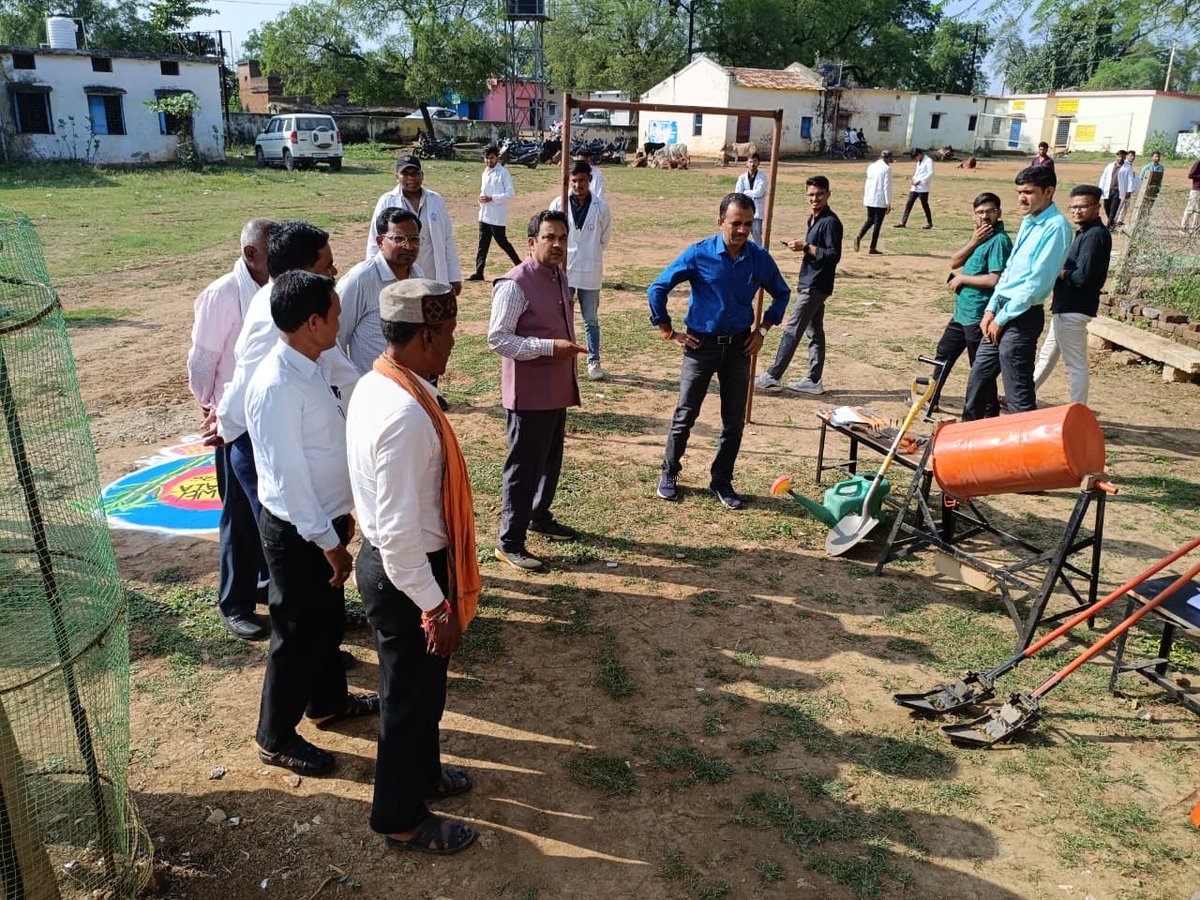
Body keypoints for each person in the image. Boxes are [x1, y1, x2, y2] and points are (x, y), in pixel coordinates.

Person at [346, 277, 481, 857]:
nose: (453, 341)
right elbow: (401, 538)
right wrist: (437, 607)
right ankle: (398, 818)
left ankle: (424, 776)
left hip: (403, 568)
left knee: (424, 695)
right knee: (406, 703)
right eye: (448, 331)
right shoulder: (404, 413)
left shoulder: (381, 383)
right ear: (427, 334)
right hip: (407, 577)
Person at [246, 270, 379, 777]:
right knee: (296, 632)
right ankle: (274, 736)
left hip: (328, 521)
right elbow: (289, 481)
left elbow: (355, 387)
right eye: (336, 314)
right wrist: (329, 543)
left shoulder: (319, 360)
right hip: (300, 531)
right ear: (311, 322)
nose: (341, 322)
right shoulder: (276, 386)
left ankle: (328, 703)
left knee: (324, 620)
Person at [648, 193, 791, 509]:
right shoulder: (700, 254)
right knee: (686, 414)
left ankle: (722, 480)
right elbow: (657, 287)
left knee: (734, 421)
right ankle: (669, 473)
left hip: (739, 349)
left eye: (747, 224)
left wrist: (763, 330)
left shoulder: (758, 258)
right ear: (720, 222)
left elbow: (782, 293)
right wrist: (668, 331)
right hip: (701, 347)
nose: (742, 230)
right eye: (735, 223)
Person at [188, 218, 275, 640]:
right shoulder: (223, 294)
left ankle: (270, 587)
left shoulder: (275, 288)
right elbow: (202, 362)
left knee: (272, 511)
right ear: (250, 254)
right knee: (239, 513)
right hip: (232, 422)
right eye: (271, 251)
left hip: (270, 418)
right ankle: (235, 602)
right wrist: (211, 406)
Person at [488, 211, 586, 572]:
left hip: (555, 387)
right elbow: (498, 338)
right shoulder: (515, 283)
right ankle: (509, 541)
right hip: (529, 393)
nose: (558, 244)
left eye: (562, 237)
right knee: (524, 466)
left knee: (549, 459)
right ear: (531, 243)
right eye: (549, 237)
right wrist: (548, 348)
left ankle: (539, 515)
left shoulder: (558, 274)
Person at [962, 166, 1073, 421]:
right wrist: (991, 309)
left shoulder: (1055, 228)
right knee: (979, 378)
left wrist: (1001, 318)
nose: (1022, 198)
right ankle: (966, 439)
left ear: (1049, 191)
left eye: (1028, 192)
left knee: (1017, 392)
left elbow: (1035, 284)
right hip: (1001, 309)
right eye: (1019, 192)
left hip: (1022, 316)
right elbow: (1010, 271)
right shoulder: (1029, 221)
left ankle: (1024, 452)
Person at [755, 175, 842, 396]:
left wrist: (806, 247)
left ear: (828, 195)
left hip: (816, 285)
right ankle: (814, 379)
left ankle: (774, 375)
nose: (815, 198)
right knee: (815, 332)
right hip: (809, 282)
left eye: (820, 194)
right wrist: (803, 246)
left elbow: (833, 255)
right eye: (811, 195)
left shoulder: (830, 222)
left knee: (792, 330)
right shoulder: (813, 219)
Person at [929, 192, 1013, 413]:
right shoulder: (980, 236)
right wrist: (974, 241)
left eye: (990, 211)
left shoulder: (999, 241)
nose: (985, 216)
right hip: (962, 312)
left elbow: (995, 279)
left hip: (980, 313)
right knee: (944, 352)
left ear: (999, 213)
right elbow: (954, 262)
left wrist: (963, 279)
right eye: (980, 212)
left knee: (980, 367)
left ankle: (988, 411)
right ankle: (930, 398)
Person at [1033, 185, 1111, 405]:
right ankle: (1022, 395)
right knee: (1047, 355)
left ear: (1097, 208)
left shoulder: (1094, 236)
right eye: (1073, 207)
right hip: (1065, 307)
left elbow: (1083, 277)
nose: (1077, 211)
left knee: (1075, 364)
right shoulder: (1085, 233)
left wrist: (1059, 271)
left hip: (1074, 308)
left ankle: (1079, 409)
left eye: (1083, 206)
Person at [336, 208, 425, 374]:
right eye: (398, 239)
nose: (408, 246)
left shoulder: (417, 274)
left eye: (414, 239)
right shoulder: (360, 280)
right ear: (380, 241)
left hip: (411, 381)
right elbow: (336, 338)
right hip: (373, 385)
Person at [549, 161, 613, 381]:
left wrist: (589, 253)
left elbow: (604, 240)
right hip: (565, 270)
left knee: (590, 318)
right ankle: (561, 359)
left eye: (582, 180)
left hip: (590, 269)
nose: (578, 185)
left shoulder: (601, 208)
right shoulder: (559, 204)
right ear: (569, 181)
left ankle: (593, 361)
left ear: (590, 180)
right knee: (561, 317)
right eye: (574, 181)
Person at [366, 155, 462, 296]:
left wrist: (454, 277)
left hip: (433, 275)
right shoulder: (387, 201)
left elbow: (447, 240)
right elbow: (375, 241)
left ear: (422, 175)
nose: (411, 178)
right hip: (399, 275)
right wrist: (372, 276)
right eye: (405, 174)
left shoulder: (436, 200)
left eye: (415, 173)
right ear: (396, 177)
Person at [469, 145, 522, 282]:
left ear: (497, 157)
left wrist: (492, 198)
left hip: (497, 216)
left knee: (503, 243)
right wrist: (481, 198)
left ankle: (520, 266)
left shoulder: (503, 173)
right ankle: (479, 272)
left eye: (491, 158)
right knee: (482, 245)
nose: (489, 161)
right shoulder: (485, 172)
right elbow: (483, 190)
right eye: (486, 159)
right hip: (484, 214)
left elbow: (510, 193)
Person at [855, 150, 893, 254]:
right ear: (888, 158)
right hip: (880, 199)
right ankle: (872, 247)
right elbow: (886, 186)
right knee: (877, 224)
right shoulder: (887, 169)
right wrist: (888, 202)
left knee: (870, 220)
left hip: (869, 198)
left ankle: (860, 235)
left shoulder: (871, 166)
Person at [895, 148, 934, 229]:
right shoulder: (919, 162)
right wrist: (913, 179)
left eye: (916, 157)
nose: (916, 159)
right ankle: (903, 222)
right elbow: (917, 173)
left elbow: (930, 173)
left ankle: (929, 223)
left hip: (923, 188)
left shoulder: (928, 161)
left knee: (925, 205)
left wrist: (920, 181)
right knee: (908, 204)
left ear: (919, 154)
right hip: (914, 187)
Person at [734, 154, 768, 243]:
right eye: (750, 161)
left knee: (757, 234)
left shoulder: (762, 177)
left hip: (756, 212)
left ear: (759, 163)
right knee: (742, 234)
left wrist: (745, 192)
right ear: (747, 163)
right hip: (743, 211)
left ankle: (759, 255)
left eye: (755, 161)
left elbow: (759, 193)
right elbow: (738, 193)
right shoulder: (742, 178)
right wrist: (750, 193)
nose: (753, 164)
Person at [1097, 150, 1130, 230]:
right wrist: (1100, 188)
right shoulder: (1110, 166)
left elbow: (1130, 179)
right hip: (1108, 190)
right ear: (1116, 156)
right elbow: (1104, 177)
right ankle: (1112, 222)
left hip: (1118, 191)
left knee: (1113, 210)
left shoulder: (1127, 167)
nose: (1121, 158)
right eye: (1119, 156)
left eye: (1123, 157)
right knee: (1106, 207)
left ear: (1125, 157)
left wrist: (1129, 191)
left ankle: (1108, 227)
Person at [1182, 156, 1200, 233]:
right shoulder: (1198, 163)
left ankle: (1194, 229)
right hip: (1196, 190)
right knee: (1190, 209)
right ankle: (1183, 227)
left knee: (1198, 211)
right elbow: (1190, 175)